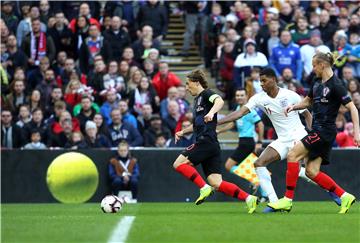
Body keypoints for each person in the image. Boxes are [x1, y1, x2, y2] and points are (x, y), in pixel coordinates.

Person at [218, 67, 341, 212]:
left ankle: (331, 190)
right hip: (282, 140)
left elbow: (307, 115)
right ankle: (274, 202)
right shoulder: (258, 98)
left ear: (273, 79)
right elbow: (239, 113)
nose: (261, 84)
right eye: (260, 81)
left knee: (308, 171)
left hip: (298, 135)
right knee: (259, 163)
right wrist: (218, 121)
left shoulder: (290, 95)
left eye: (264, 80)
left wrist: (314, 135)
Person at [268, 52, 359, 214]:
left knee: (292, 155)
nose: (313, 69)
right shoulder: (317, 82)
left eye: (314, 65)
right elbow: (308, 100)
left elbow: (352, 107)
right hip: (318, 130)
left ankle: (287, 200)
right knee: (311, 172)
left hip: (325, 131)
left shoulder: (336, 85)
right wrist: (294, 107)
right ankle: (344, 196)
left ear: (322, 65)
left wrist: (357, 133)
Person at [173, 69, 258, 214]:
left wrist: (212, 113)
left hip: (205, 141)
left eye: (188, 84)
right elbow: (197, 125)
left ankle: (204, 188)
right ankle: (249, 198)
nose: (186, 88)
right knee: (216, 183)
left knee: (178, 164)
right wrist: (182, 131)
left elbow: (219, 100)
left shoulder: (206, 94)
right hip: (211, 144)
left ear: (196, 82)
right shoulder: (197, 101)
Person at [217, 88, 264, 185]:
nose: (239, 97)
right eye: (237, 95)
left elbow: (261, 124)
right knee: (254, 168)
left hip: (247, 142)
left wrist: (259, 142)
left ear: (247, 96)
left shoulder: (249, 110)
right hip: (244, 142)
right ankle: (262, 192)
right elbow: (233, 124)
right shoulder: (238, 109)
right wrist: (220, 131)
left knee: (228, 165)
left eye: (242, 95)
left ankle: (254, 180)